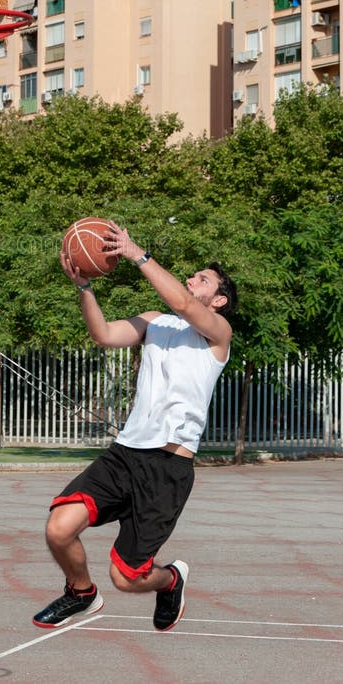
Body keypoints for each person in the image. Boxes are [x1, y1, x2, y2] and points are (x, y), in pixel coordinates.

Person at [32, 220, 237, 632]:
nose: (192, 279)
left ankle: (171, 580)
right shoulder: (155, 322)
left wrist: (135, 252)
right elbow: (104, 334)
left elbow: (184, 305)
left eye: (203, 279)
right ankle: (81, 593)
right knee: (58, 529)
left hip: (167, 469)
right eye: (193, 275)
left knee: (126, 578)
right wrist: (84, 287)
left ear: (218, 300)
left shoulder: (218, 335)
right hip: (125, 455)